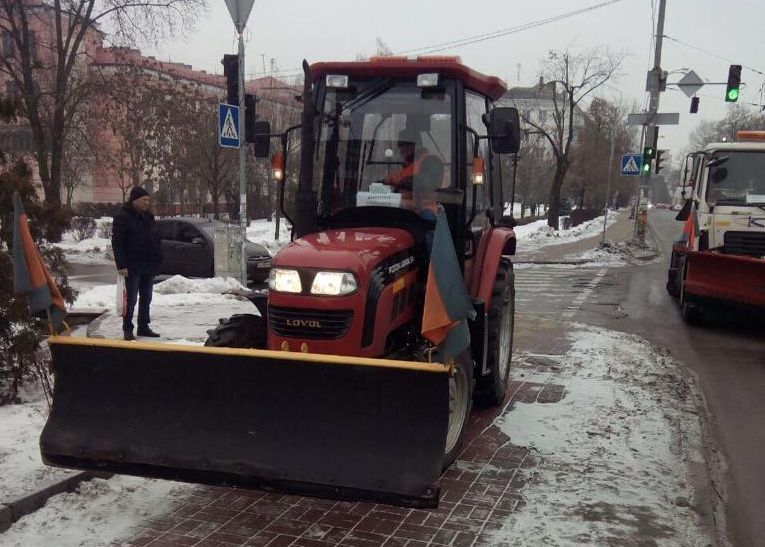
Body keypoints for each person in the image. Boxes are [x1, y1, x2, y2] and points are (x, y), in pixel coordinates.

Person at [112, 186, 163, 341]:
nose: (147, 202)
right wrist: (121, 265)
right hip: (132, 265)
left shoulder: (148, 217)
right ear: (134, 200)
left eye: (148, 200)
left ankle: (143, 326)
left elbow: (155, 238)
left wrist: (158, 258)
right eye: (144, 200)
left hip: (148, 264)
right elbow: (117, 242)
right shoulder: (123, 217)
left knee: (146, 298)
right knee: (131, 299)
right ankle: (128, 328)